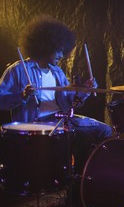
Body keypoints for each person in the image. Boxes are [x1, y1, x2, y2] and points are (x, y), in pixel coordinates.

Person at [0, 15, 112, 196]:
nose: (62, 55)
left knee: (103, 131)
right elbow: (1, 99)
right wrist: (21, 95)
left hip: (61, 119)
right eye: (58, 50)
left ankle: (82, 182)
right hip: (37, 124)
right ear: (46, 46)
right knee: (75, 136)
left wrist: (83, 91)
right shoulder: (18, 70)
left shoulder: (57, 72)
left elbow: (69, 100)